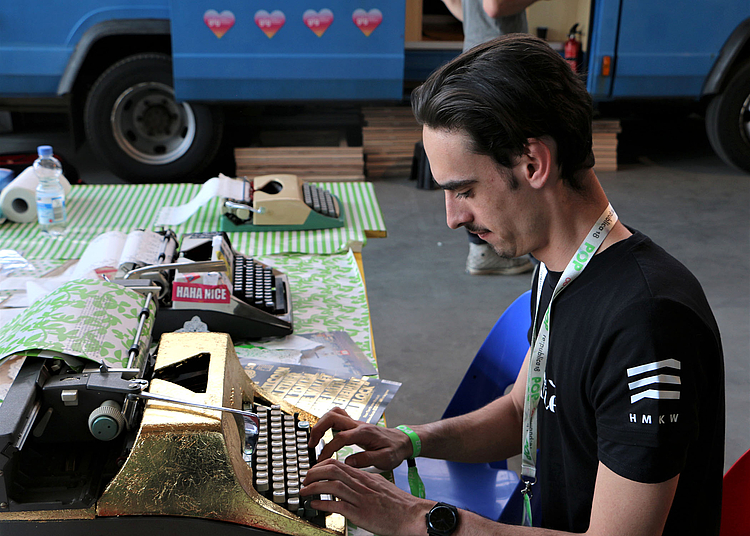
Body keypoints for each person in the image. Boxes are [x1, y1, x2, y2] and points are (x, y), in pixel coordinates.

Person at [300, 35, 725, 535]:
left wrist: (418, 518)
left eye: (465, 190)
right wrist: (409, 441)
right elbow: (520, 410)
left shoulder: (647, 324)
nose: (452, 218)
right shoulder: (559, 268)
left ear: (533, 163)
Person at [441, 0, 538, 275]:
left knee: (480, 160)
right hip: (501, 64)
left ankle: (481, 248)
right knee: (516, 162)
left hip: (472, 59)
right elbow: (495, 6)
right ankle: (543, 261)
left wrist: (476, 24)